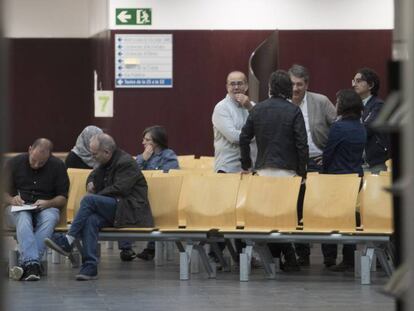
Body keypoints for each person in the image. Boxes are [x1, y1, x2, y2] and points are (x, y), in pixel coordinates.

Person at [45, 133, 153, 280]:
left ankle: (69, 239)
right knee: (91, 220)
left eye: (94, 154)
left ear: (107, 152)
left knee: (89, 200)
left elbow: (120, 189)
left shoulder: (126, 163)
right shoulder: (104, 162)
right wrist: (89, 183)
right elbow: (93, 175)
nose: (92, 156)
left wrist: (96, 196)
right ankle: (90, 266)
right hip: (115, 209)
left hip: (129, 210)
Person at [240, 69, 308, 271]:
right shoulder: (294, 111)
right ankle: (289, 256)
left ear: (269, 88)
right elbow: (302, 144)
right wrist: (303, 173)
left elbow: (244, 138)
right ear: (288, 88)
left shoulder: (258, 109)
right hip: (288, 172)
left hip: (262, 171)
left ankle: (279, 257)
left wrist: (246, 165)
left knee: (267, 217)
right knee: (286, 217)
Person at [288, 64, 337, 267]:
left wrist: (328, 155)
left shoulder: (321, 101)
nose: (296, 88)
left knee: (324, 209)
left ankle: (330, 256)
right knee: (298, 208)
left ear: (307, 84)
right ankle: (302, 253)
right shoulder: (284, 103)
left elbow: (337, 127)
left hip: (320, 160)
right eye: (292, 84)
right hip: (295, 164)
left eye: (300, 84)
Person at [4, 138, 69, 281]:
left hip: (46, 206)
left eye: (41, 163)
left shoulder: (58, 166)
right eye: (33, 160)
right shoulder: (14, 163)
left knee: (50, 217)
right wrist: (11, 199)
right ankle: (33, 263)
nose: (36, 165)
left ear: (49, 156)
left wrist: (48, 202)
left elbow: (62, 198)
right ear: (29, 150)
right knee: (23, 215)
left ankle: (28, 263)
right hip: (18, 206)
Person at [211, 71, 257, 264]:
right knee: (224, 215)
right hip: (227, 167)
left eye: (240, 83)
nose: (236, 87)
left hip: (247, 168)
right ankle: (215, 255)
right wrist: (255, 135)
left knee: (243, 216)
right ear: (226, 87)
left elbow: (263, 124)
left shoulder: (251, 107)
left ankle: (242, 256)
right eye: (232, 84)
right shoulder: (221, 108)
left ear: (246, 86)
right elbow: (234, 137)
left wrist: (248, 106)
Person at [119, 125, 179, 262]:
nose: (143, 142)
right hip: (141, 196)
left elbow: (168, 179)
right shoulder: (142, 157)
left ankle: (151, 248)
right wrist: (143, 159)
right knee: (121, 205)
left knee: (154, 210)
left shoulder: (169, 156)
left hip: (160, 197)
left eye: (147, 140)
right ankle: (126, 248)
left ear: (156, 142)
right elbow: (129, 174)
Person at [322, 89, 366, 272]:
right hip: (355, 176)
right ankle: (349, 258)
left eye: (337, 101)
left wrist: (324, 171)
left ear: (344, 105)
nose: (335, 104)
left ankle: (330, 256)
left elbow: (329, 153)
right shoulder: (361, 127)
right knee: (350, 219)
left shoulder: (338, 128)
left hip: (337, 178)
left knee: (331, 218)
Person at [352, 67, 389, 174]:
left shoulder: (378, 105)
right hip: (357, 163)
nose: (354, 84)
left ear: (371, 85)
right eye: (354, 81)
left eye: (358, 81)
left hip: (375, 163)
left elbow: (367, 129)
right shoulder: (353, 106)